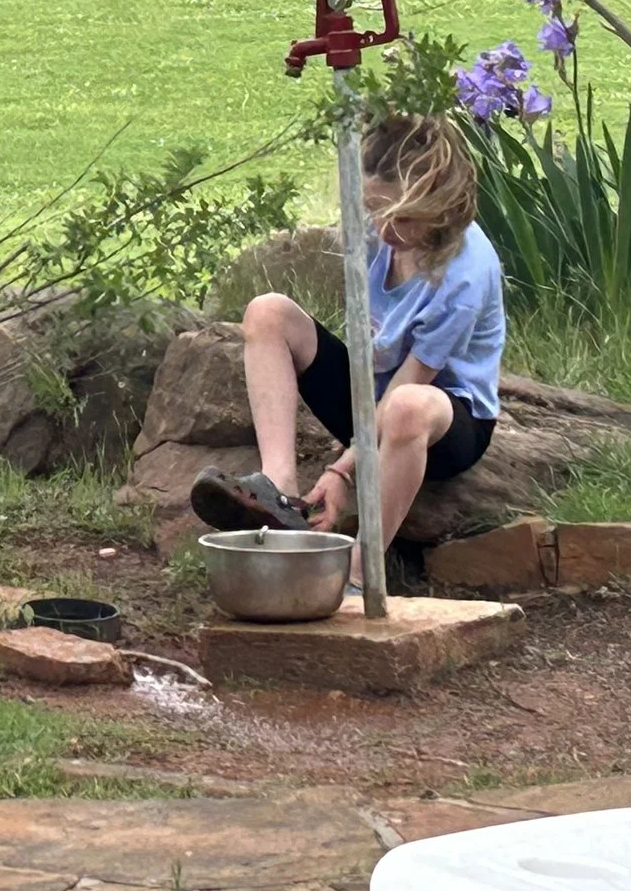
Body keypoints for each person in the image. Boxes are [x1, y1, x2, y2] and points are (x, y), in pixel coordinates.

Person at [189, 114, 504, 576]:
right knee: (267, 311)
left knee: (407, 408)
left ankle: (361, 568)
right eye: (374, 211)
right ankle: (277, 493)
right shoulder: (380, 234)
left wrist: (343, 471)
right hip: (371, 398)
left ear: (439, 202)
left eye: (400, 216)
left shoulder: (465, 275)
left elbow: (407, 385)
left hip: (442, 422)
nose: (383, 227)